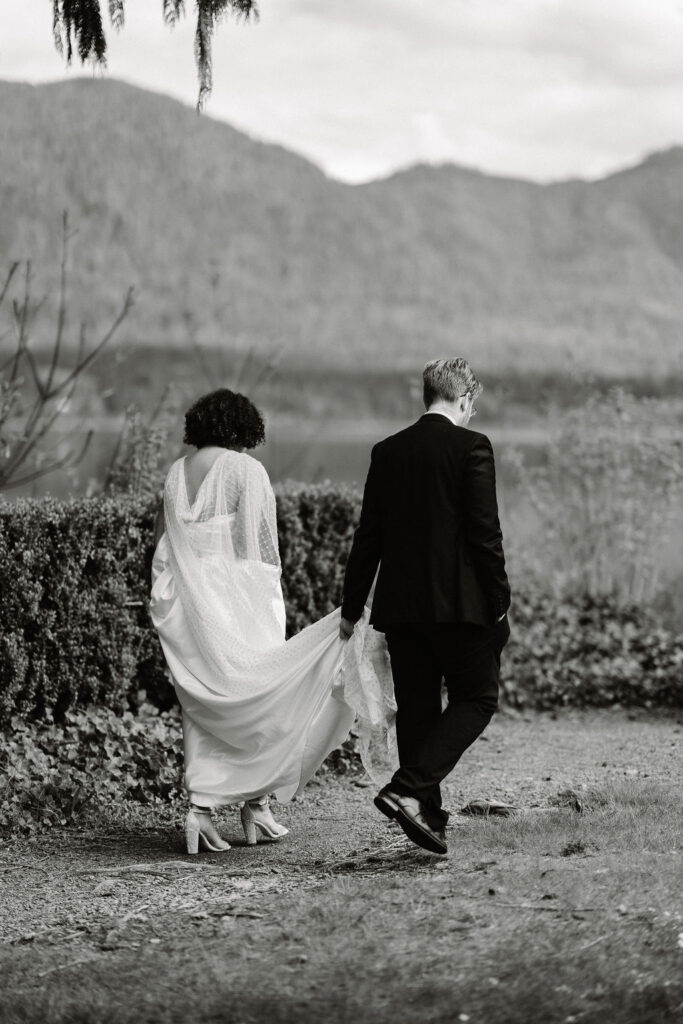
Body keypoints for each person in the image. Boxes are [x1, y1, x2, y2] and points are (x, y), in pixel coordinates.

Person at [150, 388, 391, 855]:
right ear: (243, 427)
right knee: (266, 696)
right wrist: (268, 604)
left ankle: (203, 811)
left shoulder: (176, 473)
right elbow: (257, 552)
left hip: (183, 606)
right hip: (234, 600)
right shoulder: (245, 470)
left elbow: (163, 546)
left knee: (207, 707)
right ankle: (256, 801)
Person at [340, 358, 511, 856]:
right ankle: (408, 788)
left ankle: (426, 815)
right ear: (463, 400)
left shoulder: (387, 451)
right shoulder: (472, 446)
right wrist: (499, 600)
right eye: (472, 405)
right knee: (478, 699)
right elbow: (485, 534)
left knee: (418, 710)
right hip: (462, 607)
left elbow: (367, 536)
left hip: (403, 608)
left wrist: (353, 606)